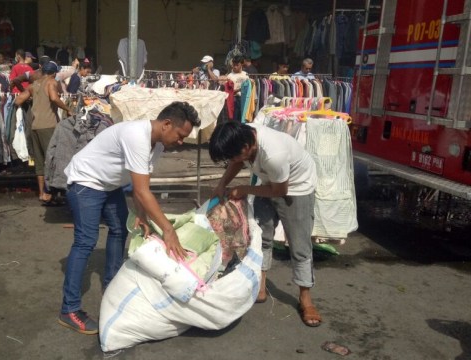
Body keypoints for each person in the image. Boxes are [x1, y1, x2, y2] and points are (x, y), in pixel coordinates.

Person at [59, 101, 201, 335]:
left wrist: (142, 216)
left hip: (109, 184)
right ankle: (69, 309)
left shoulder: (156, 146)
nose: (181, 141)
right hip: (86, 181)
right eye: (180, 135)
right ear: (166, 124)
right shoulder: (137, 135)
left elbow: (139, 188)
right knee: (85, 241)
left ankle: (112, 284)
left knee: (120, 229)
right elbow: (143, 192)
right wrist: (168, 229)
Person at [209, 121, 322, 327]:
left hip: (296, 189)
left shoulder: (273, 154)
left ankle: (305, 298)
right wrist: (221, 185)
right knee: (261, 238)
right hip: (269, 183)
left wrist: (243, 189)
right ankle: (260, 287)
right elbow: (236, 162)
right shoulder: (243, 136)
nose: (232, 161)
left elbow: (280, 191)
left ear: (246, 148)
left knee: (300, 246)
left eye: (232, 156)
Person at [14, 61, 74, 204]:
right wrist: (67, 109)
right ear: (53, 73)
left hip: (35, 127)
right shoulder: (51, 82)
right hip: (49, 126)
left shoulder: (34, 85)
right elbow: (54, 98)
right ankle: (53, 192)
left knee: (39, 161)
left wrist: (33, 99)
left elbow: (17, 100)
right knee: (53, 159)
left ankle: (42, 193)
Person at [224, 55, 250, 121]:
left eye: (237, 65)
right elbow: (229, 92)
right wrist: (240, 89)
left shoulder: (246, 75)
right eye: (234, 65)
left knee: (243, 118)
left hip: (244, 99)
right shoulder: (230, 76)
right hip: (234, 100)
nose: (235, 67)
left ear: (242, 64)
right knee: (234, 119)